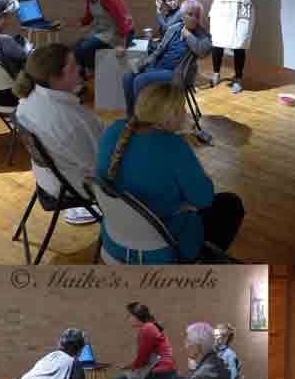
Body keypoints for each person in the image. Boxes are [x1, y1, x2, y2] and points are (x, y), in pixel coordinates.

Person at [96, 82, 244, 263]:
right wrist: (180, 205)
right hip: (160, 251)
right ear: (168, 116)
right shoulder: (174, 147)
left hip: (114, 241)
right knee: (230, 204)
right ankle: (199, 263)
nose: (185, 114)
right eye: (182, 109)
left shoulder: (114, 130)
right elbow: (204, 199)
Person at [14, 43, 104, 224]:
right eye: (73, 66)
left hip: (47, 179)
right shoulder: (74, 122)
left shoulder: (26, 101)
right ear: (55, 77)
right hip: (74, 186)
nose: (79, 68)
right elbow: (99, 167)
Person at [200, 0, 274, 94]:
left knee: (239, 46)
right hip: (222, 13)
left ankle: (238, 78)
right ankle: (216, 75)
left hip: (241, 14)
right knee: (217, 43)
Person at [122, 0, 211, 118]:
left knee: (140, 80)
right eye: (190, 14)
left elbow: (203, 51)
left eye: (197, 15)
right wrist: (144, 63)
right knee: (128, 76)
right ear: (182, 16)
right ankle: (131, 115)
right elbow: (159, 50)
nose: (194, 18)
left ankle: (142, 119)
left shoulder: (202, 34)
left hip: (177, 74)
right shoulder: (174, 28)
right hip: (159, 66)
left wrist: (188, 35)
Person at [106, 302, 177, 379]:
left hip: (160, 375)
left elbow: (142, 360)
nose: (128, 319)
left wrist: (129, 367)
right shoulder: (151, 327)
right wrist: (130, 366)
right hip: (167, 375)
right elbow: (144, 359)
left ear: (137, 316)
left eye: (129, 316)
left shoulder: (146, 329)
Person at [68, 0, 134, 78]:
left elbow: (121, 19)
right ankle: (88, 75)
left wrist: (120, 44)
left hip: (119, 32)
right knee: (76, 48)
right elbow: (87, 19)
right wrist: (67, 24)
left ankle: (95, 74)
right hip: (103, 31)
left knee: (84, 48)